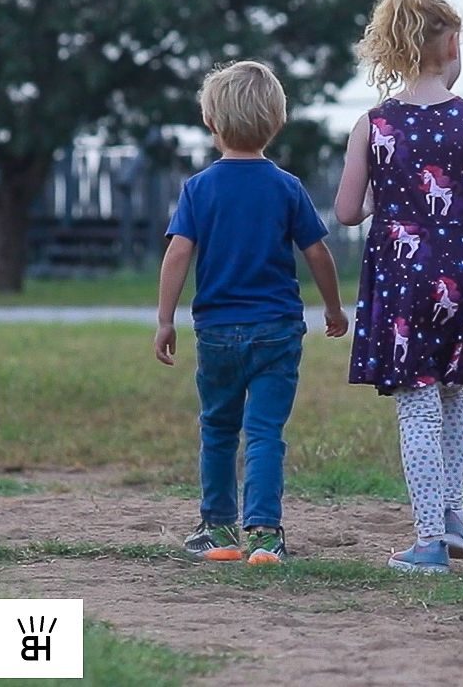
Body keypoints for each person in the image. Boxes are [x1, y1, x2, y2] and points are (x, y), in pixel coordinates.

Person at [336, 0, 463, 573]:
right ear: (452, 45)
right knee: (451, 391)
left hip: (402, 279)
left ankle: (428, 542)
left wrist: (386, 198)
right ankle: (453, 519)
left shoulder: (373, 125)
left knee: (415, 402)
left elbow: (346, 211)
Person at [155, 60, 349, 565]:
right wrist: (333, 307)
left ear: (211, 122)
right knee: (264, 432)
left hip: (217, 331)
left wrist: (165, 319)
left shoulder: (199, 188)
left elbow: (178, 253)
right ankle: (264, 535)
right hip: (277, 331)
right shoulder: (286, 187)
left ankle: (219, 530)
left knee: (219, 428)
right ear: (277, 121)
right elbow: (317, 253)